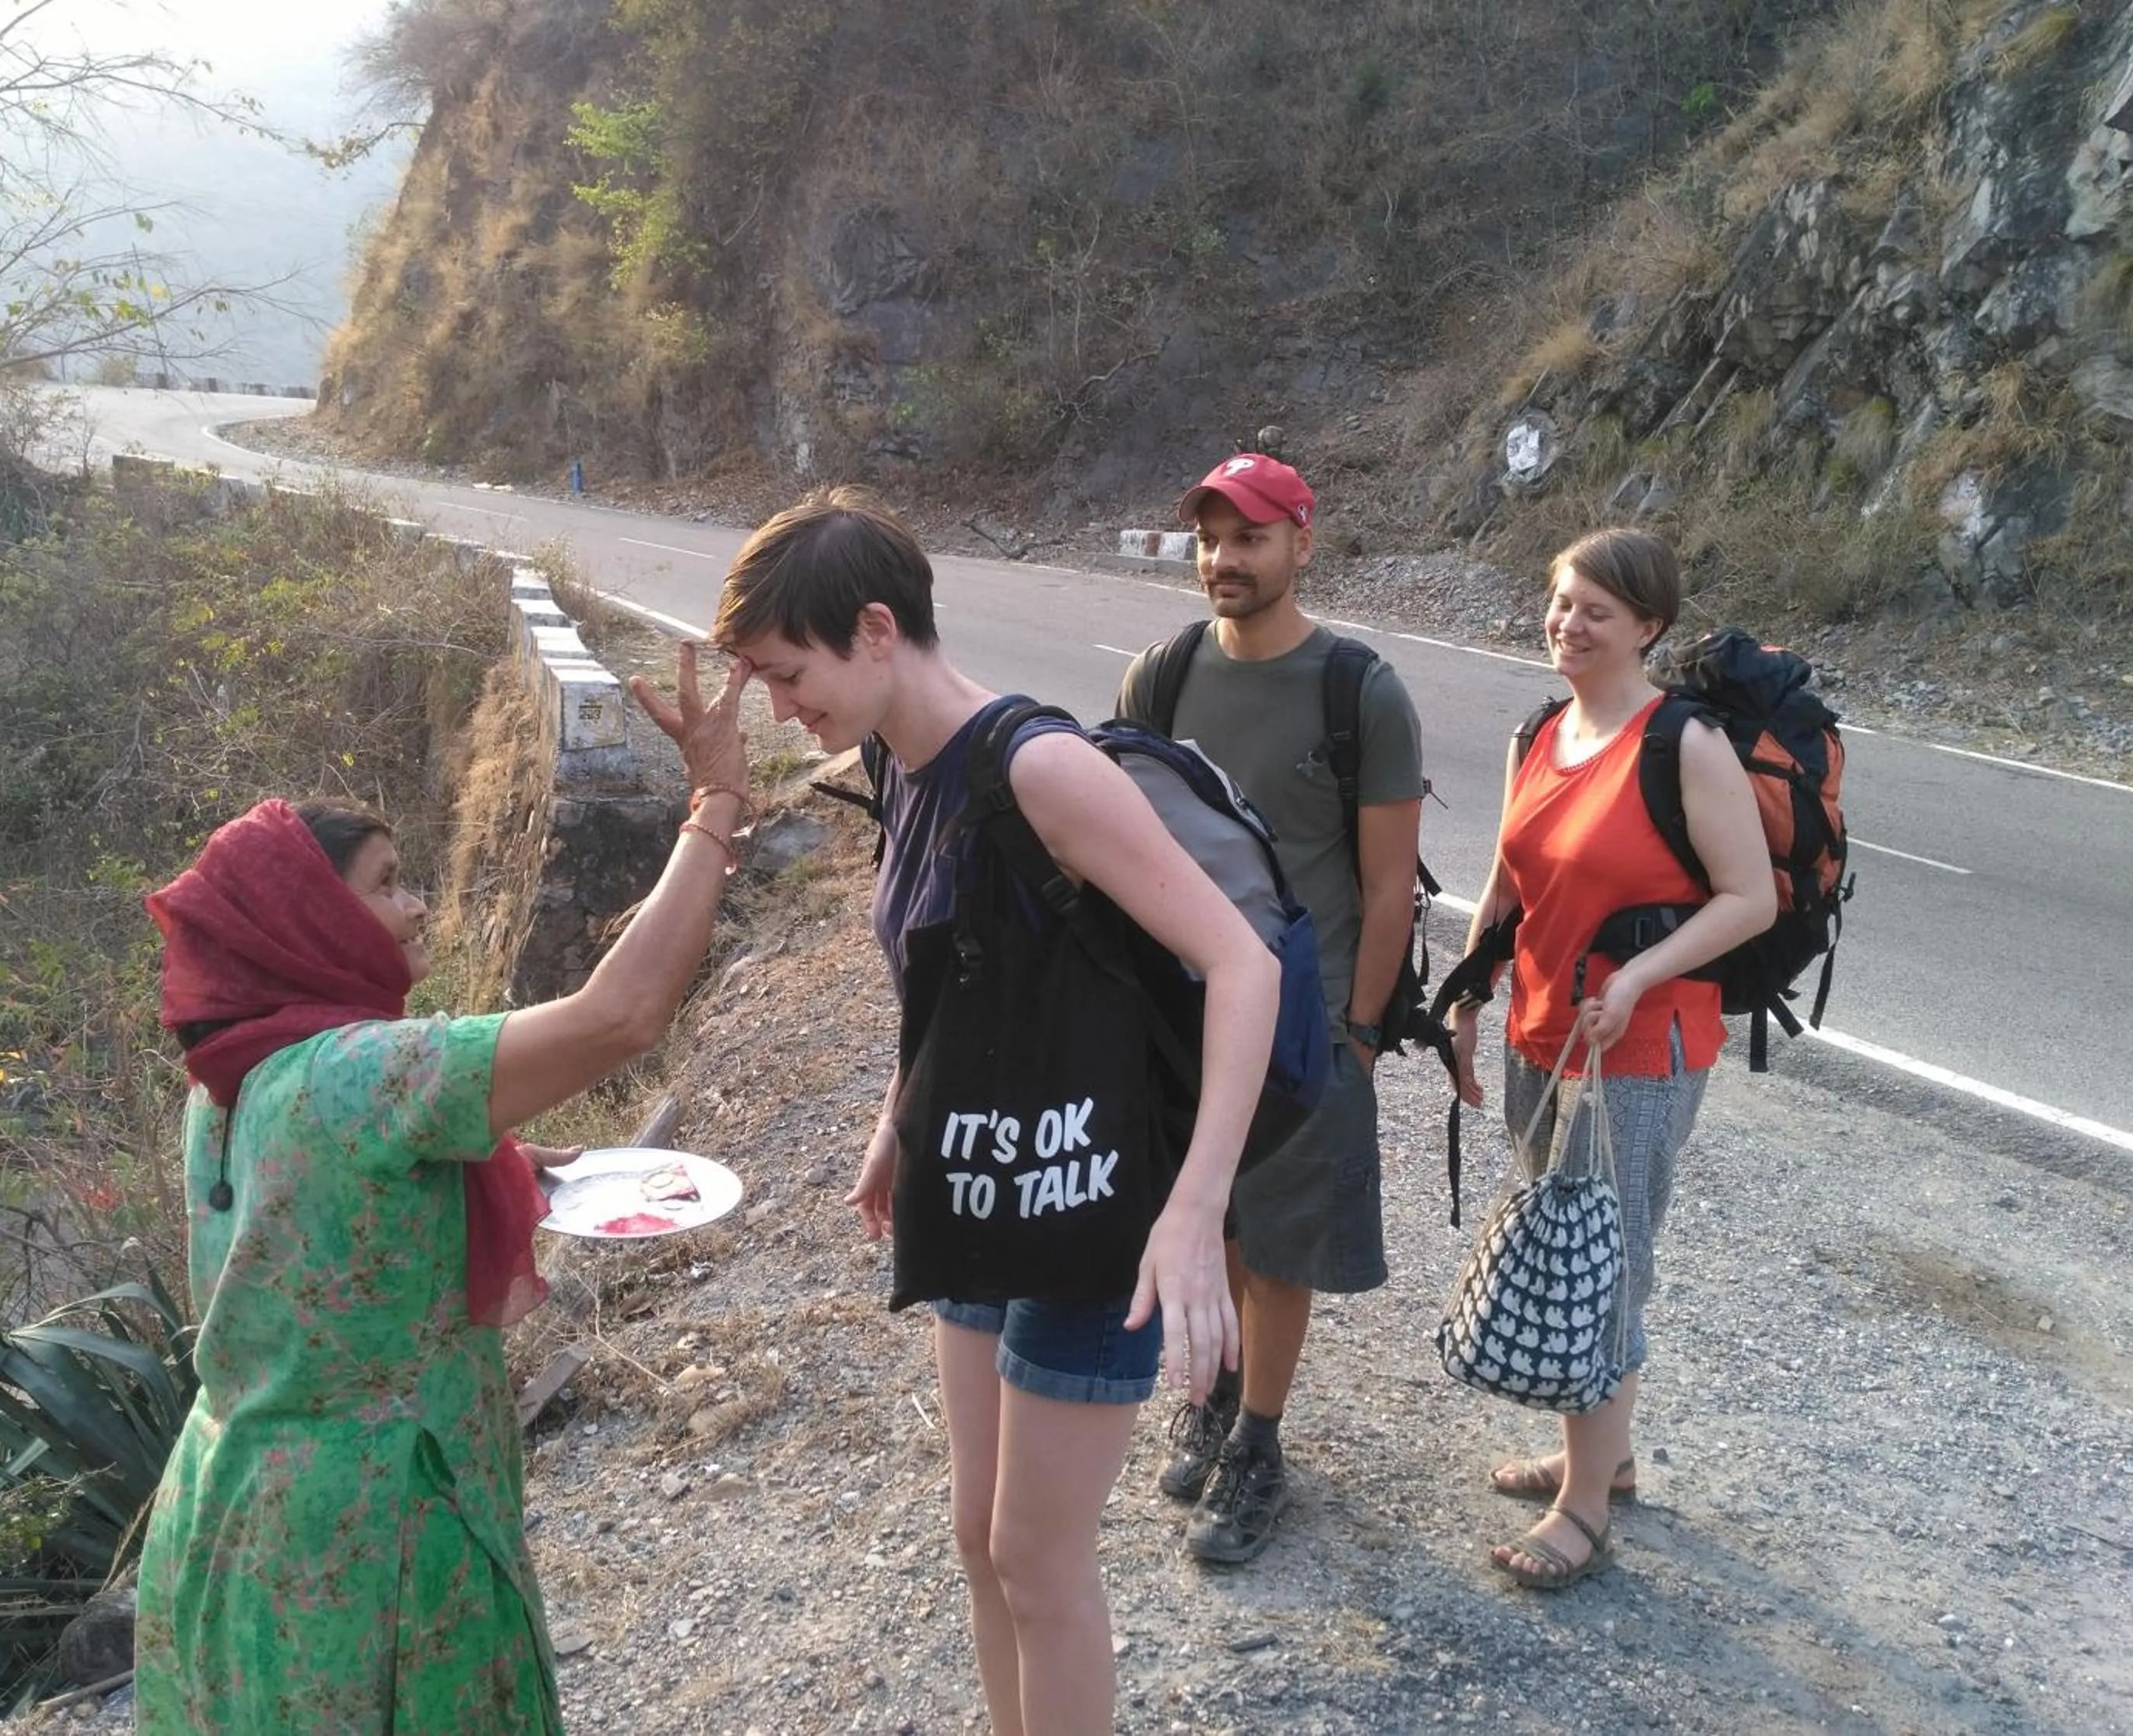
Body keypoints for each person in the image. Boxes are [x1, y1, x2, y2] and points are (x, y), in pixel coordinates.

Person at [711, 488, 1278, 1736]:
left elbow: (1245, 964)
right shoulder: (895, 761)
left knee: (1038, 1557)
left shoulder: (1040, 768)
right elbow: (954, 974)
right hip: (974, 1183)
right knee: (979, 1535)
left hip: (1093, 1202)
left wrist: (1194, 1214)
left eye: (788, 673)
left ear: (875, 628)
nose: (782, 707)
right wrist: (897, 1119)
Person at [134, 644, 753, 1734]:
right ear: (306, 923)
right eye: (385, 887)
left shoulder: (230, 1079)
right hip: (383, 1526)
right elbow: (620, 1017)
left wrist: (502, 1158)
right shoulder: (365, 1070)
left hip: (233, 1512)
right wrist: (715, 804)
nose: (417, 908)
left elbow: (329, 1207)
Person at [1445, 527, 1773, 1589]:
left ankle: (1585, 1507)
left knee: (1607, 1259)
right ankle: (1605, 1455)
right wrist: (1467, 998)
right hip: (1544, 1030)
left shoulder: (1683, 743)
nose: (1569, 624)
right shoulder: (1541, 730)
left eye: (1597, 610)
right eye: (1561, 601)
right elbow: (1508, 885)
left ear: (1648, 627)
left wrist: (1637, 978)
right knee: (1569, 1240)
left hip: (1639, 1045)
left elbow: (1749, 899)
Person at [1114, 452, 1425, 1565]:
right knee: (1217, 1219)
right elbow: (1127, 842)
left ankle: (1258, 1441)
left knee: (1284, 1242)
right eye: (1210, 539)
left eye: (1248, 537)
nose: (1223, 560)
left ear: (1302, 542)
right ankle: (1217, 1394)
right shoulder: (1160, 677)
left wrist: (1361, 1032)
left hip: (1306, 1022)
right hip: (1185, 1016)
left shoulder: (1361, 692)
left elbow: (1388, 885)